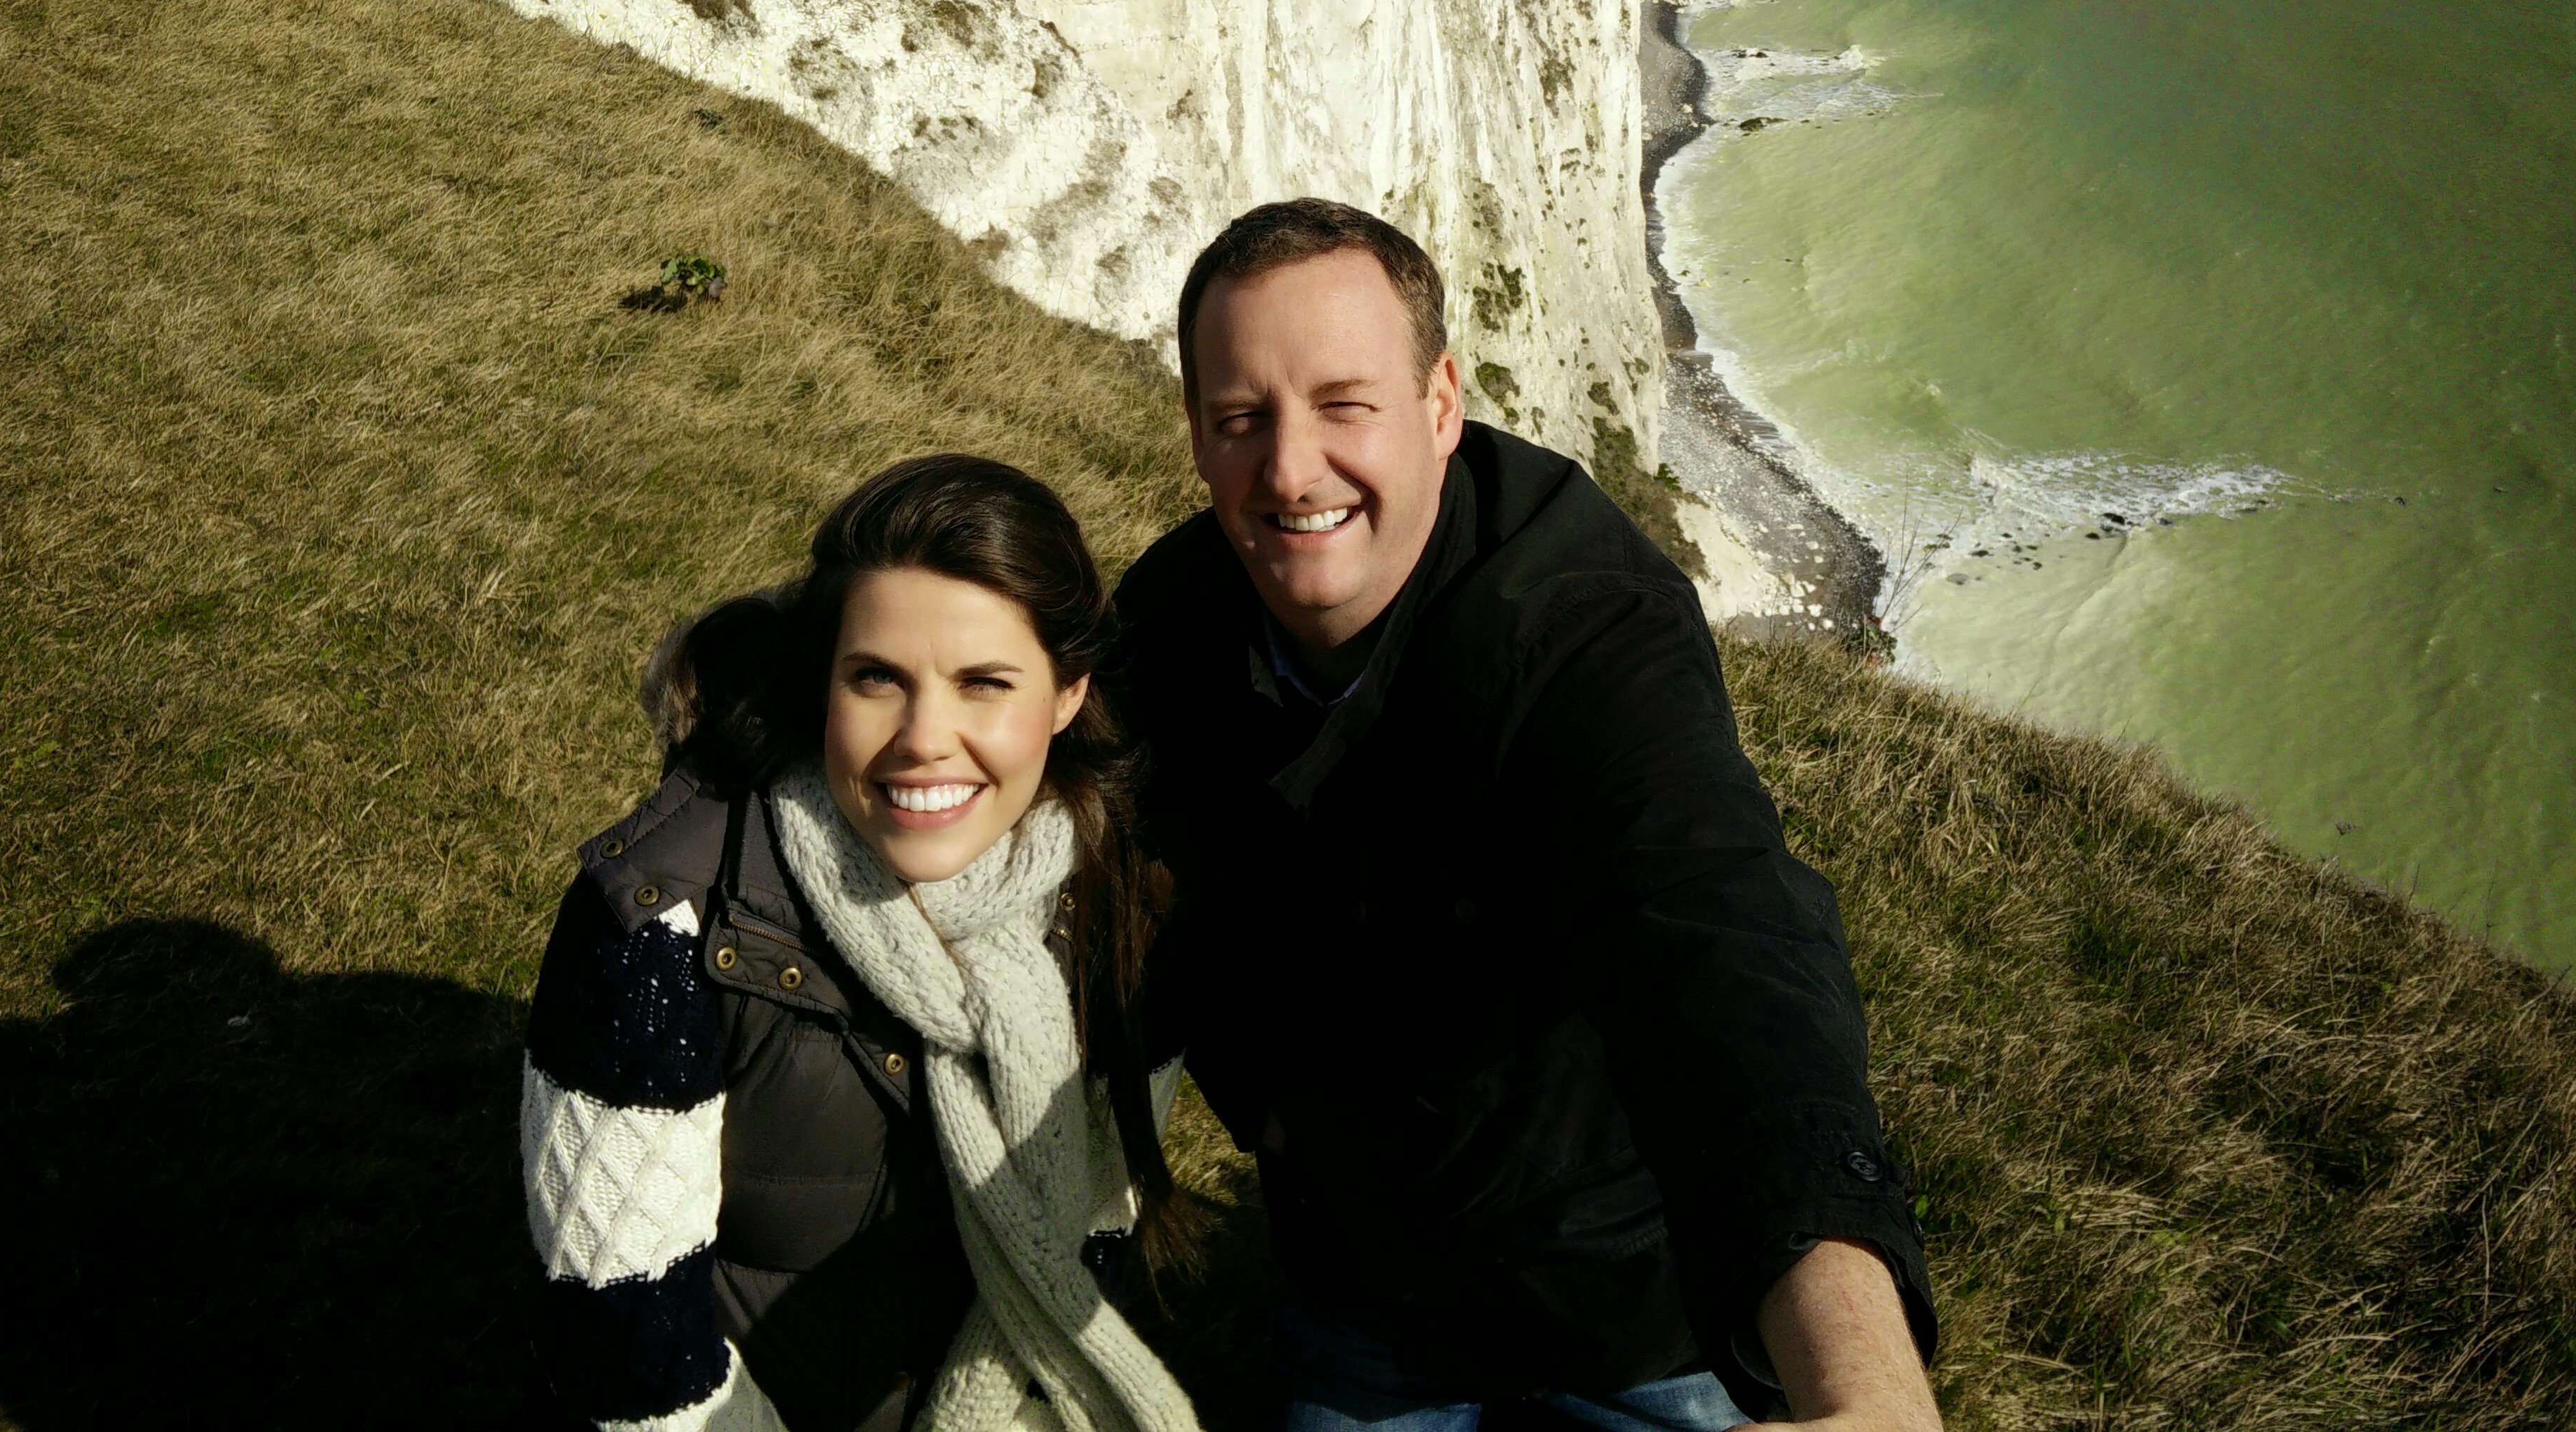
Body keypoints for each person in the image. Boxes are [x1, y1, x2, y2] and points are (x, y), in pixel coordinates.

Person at [1111, 200, 1942, 1432]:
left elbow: (1718, 941)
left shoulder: (1584, 621)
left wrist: (1863, 1384)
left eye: (1347, 405)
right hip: (1367, 1285)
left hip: (1631, 1294)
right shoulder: (1171, 623)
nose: (1289, 471)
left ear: (1442, 404)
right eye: (1242, 420)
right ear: (1195, 433)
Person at [520, 455, 1202, 1432]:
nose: (925, 738)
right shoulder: (661, 920)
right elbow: (622, 1329)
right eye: (878, 678)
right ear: (823, 681)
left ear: (1064, 695)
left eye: (985, 684)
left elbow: (1097, 1234)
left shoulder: (1122, 909)